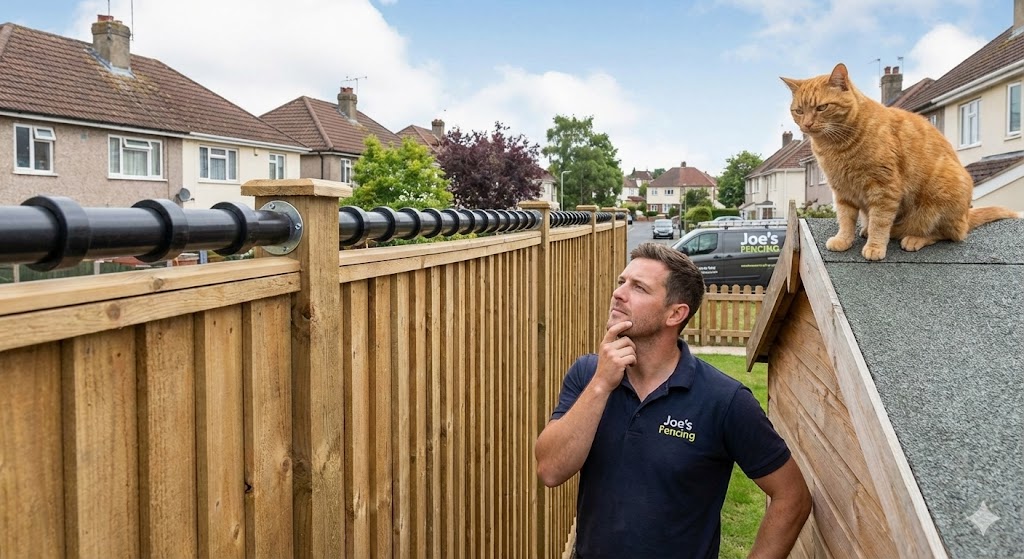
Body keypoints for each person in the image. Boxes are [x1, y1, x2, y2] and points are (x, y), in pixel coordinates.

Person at [535, 242, 811, 558]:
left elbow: (792, 496)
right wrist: (600, 385)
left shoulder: (724, 400)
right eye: (622, 282)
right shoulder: (588, 374)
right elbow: (550, 470)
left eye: (638, 288)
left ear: (675, 314)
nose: (619, 293)